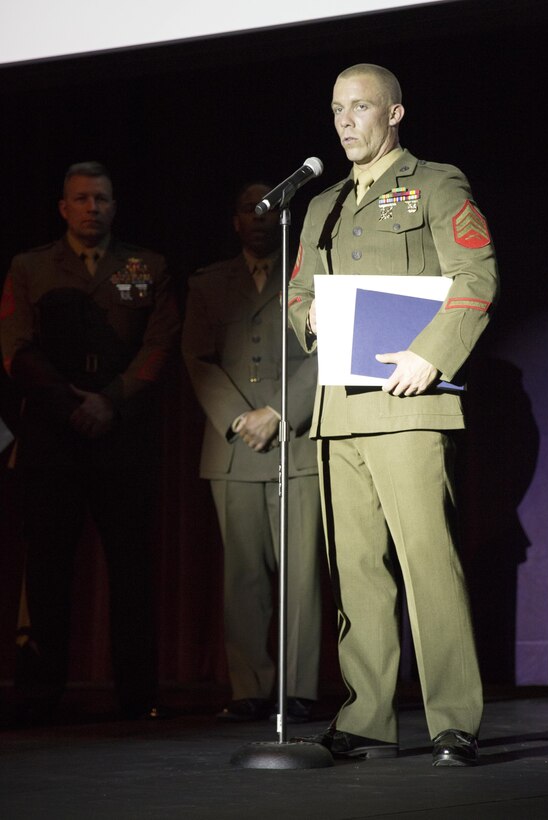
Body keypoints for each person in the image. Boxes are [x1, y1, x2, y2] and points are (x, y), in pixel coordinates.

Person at [287, 64, 499, 765]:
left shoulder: (435, 183)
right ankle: (367, 715)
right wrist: (308, 318)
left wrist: (431, 356)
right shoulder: (318, 205)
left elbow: (475, 276)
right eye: (337, 109)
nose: (346, 121)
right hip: (338, 411)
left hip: (408, 402)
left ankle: (452, 719)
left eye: (361, 107)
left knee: (427, 565)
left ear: (394, 113)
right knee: (356, 571)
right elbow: (295, 297)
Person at [0, 161, 180, 722]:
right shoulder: (29, 267)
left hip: (121, 437)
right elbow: (15, 348)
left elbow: (160, 344)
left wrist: (111, 400)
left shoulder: (147, 265)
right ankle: (37, 694)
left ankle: (137, 695)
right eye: (80, 199)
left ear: (114, 205)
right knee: (48, 568)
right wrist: (70, 403)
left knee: (131, 568)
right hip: (53, 436)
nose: (91, 208)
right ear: (63, 207)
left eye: (101, 198)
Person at [181, 181, 322, 723]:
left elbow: (326, 347)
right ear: (236, 221)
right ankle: (249, 689)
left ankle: (300, 689)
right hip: (235, 446)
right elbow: (196, 356)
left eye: (269, 208)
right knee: (242, 575)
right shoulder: (210, 283)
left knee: (301, 574)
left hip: (299, 439)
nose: (260, 217)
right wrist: (240, 419)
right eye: (248, 209)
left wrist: (282, 413)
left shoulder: (308, 275)